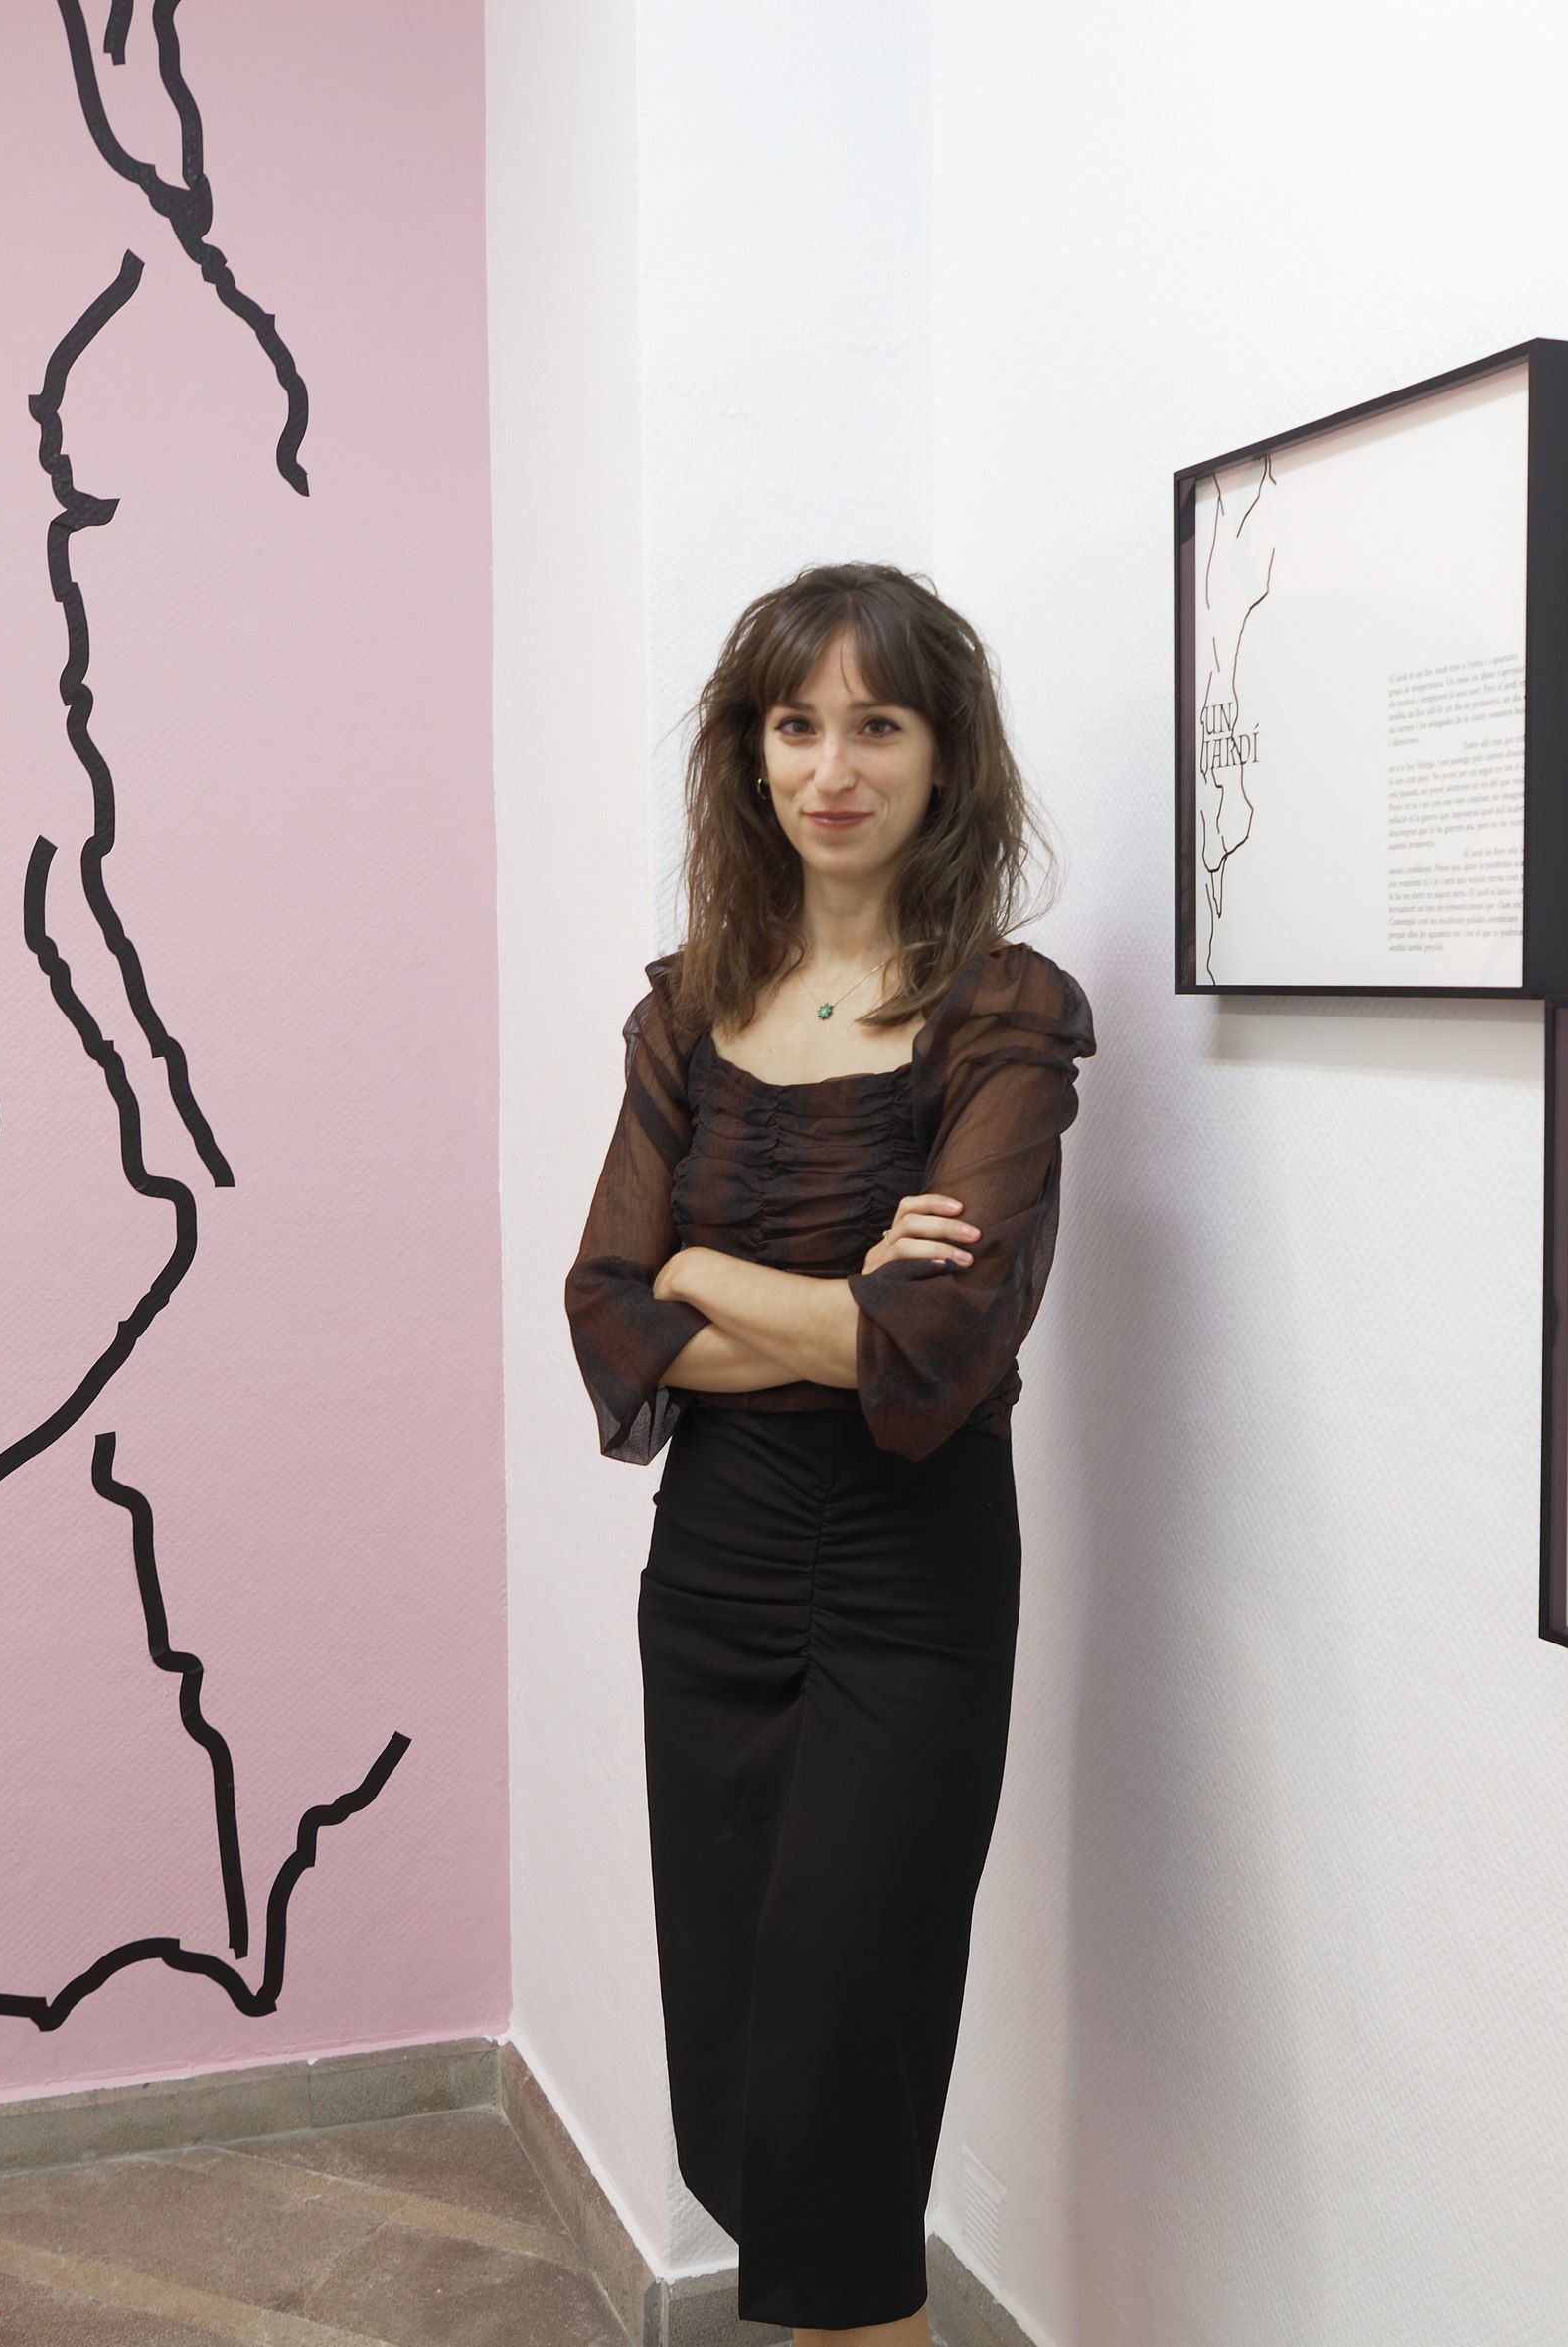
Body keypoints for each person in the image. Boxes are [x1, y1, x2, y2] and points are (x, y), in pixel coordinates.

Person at [566, 564, 1092, 2343]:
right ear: (752, 753)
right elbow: (604, 1309)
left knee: (845, 2037)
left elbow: (933, 1348)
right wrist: (820, 1293)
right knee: (736, 2029)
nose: (831, 767)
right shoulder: (683, 1011)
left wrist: (705, 1279)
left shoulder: (1004, 1014)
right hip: (712, 1568)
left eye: (878, 724)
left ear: (945, 757)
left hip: (908, 1567)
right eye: (796, 725)